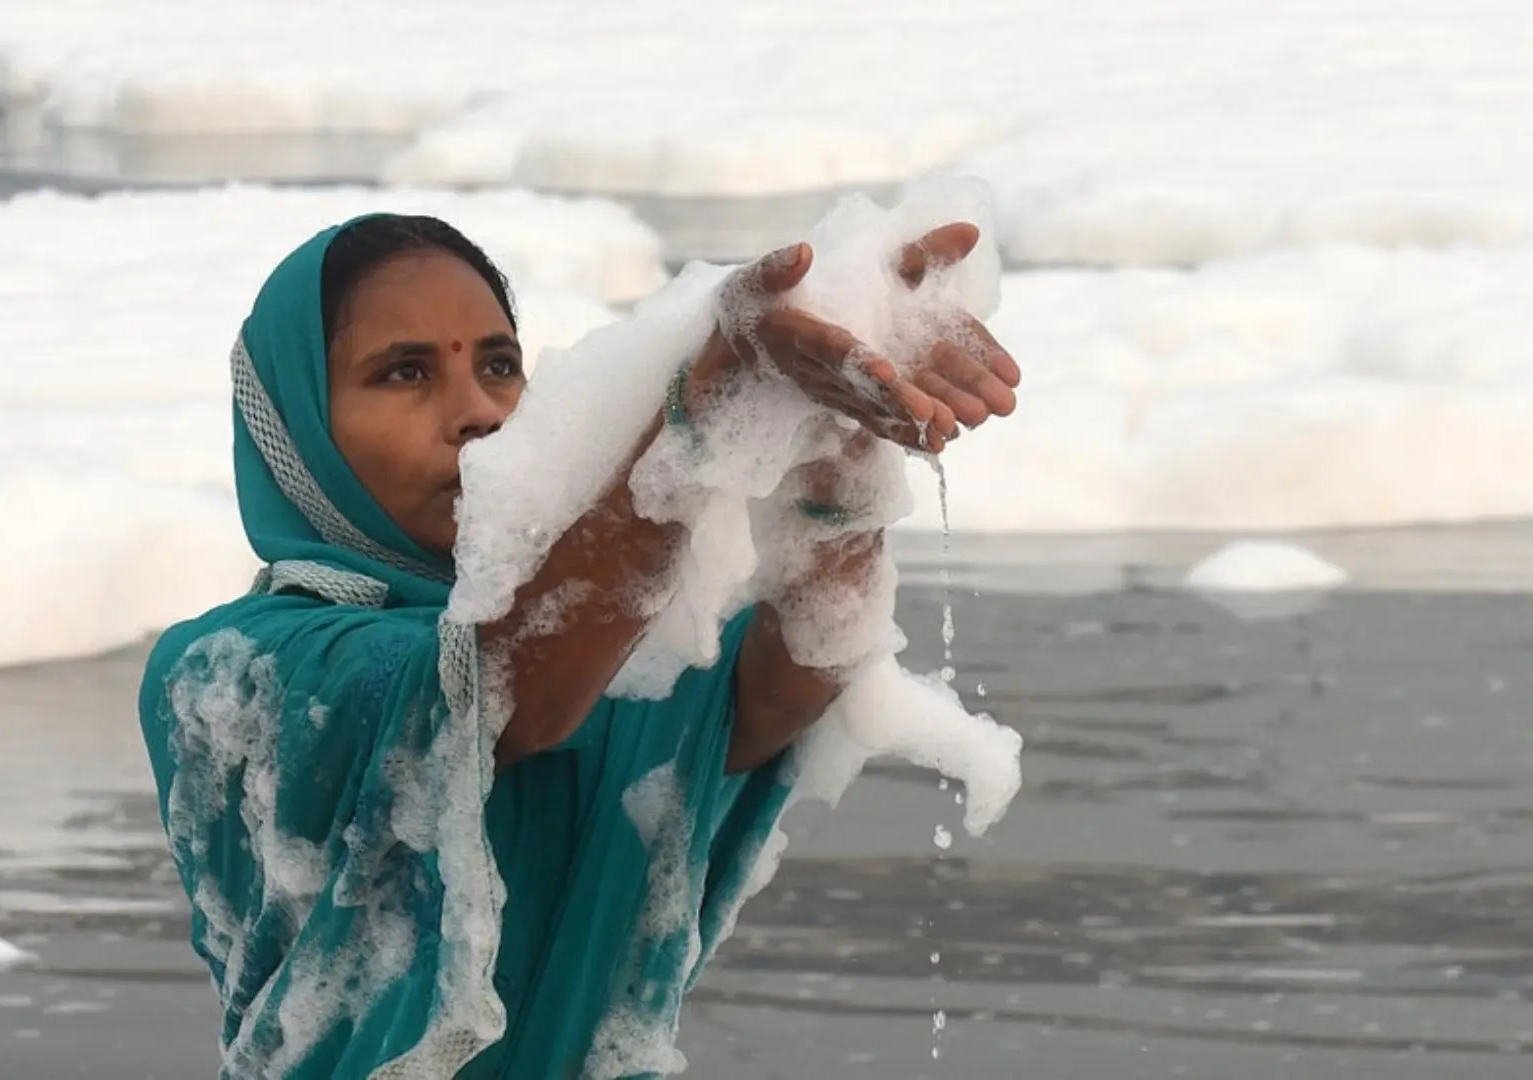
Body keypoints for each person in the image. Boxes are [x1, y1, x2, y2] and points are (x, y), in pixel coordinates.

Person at [138, 212, 1020, 1079]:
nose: (477, 411)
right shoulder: (231, 669)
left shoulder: (608, 645)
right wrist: (709, 398)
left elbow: (790, 684)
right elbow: (507, 693)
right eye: (403, 372)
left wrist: (834, 427)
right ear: (294, 428)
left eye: (499, 365)